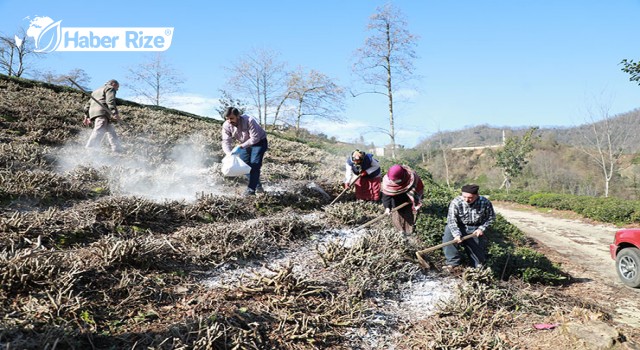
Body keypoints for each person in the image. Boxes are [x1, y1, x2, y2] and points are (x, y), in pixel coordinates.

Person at [442, 184, 496, 270]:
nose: (467, 200)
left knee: (478, 256)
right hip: (459, 226)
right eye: (464, 197)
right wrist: (456, 234)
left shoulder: (485, 202)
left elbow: (491, 217)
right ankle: (452, 263)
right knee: (448, 235)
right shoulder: (456, 202)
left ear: (477, 195)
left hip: (475, 228)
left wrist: (481, 228)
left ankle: (475, 268)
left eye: (470, 197)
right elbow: (451, 220)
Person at [221, 107, 268, 196]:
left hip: (259, 143)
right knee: (244, 166)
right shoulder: (226, 125)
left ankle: (251, 190)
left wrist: (241, 147)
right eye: (227, 119)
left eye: (231, 118)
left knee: (254, 164)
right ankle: (258, 186)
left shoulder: (249, 120)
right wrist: (228, 153)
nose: (229, 121)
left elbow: (255, 138)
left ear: (238, 116)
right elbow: (226, 141)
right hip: (245, 144)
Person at [381, 164, 424, 234]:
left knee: (409, 217)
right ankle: (400, 233)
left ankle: (410, 232)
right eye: (392, 180)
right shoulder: (387, 181)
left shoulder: (411, 177)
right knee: (398, 218)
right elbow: (386, 195)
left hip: (408, 201)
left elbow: (418, 189)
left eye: (395, 181)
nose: (393, 182)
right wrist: (387, 207)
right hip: (396, 202)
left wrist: (413, 199)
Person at [84, 79, 122, 152]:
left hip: (94, 112)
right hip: (102, 112)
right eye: (117, 87)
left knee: (111, 130)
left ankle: (117, 148)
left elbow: (87, 106)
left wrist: (86, 116)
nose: (117, 89)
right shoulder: (110, 88)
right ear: (113, 84)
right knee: (99, 129)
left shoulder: (95, 91)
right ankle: (90, 148)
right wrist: (114, 112)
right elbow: (110, 100)